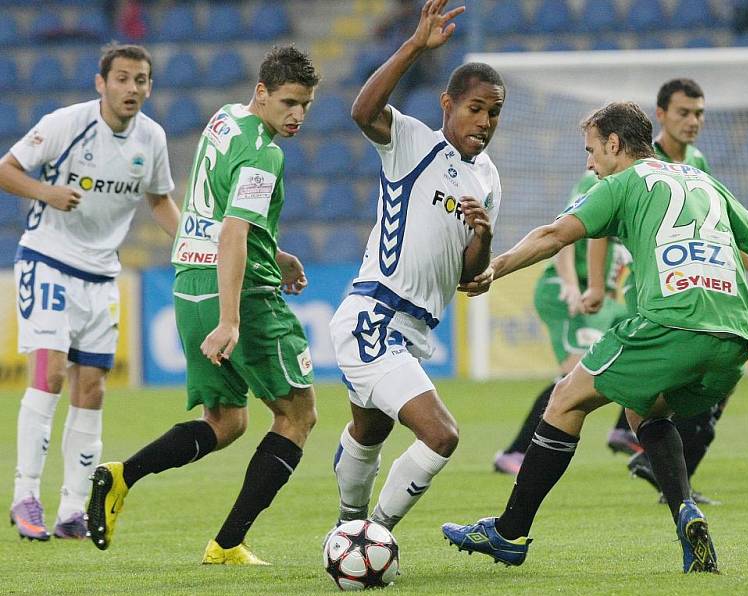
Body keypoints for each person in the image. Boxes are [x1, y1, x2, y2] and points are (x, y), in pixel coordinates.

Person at [443, 101, 748, 573]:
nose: (589, 163)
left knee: (565, 400)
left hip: (672, 322)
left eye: (591, 150)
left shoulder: (625, 182)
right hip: (733, 337)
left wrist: (492, 268)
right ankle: (686, 513)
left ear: (614, 144)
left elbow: (552, 235)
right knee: (644, 407)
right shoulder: (704, 180)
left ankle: (509, 532)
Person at [85, 46, 320, 565]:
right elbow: (235, 230)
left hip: (188, 279)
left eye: (305, 104)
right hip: (242, 295)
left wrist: (275, 252)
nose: (297, 115)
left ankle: (122, 474)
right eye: (288, 102)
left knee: (227, 420)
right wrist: (232, 319)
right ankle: (227, 543)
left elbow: (215, 207)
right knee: (297, 415)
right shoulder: (265, 154)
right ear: (262, 92)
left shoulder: (226, 119)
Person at [329, 0, 503, 532]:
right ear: (448, 103)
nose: (485, 121)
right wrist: (412, 45)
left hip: (413, 331)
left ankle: (347, 526)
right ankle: (373, 533)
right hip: (374, 318)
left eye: (494, 113)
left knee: (368, 433)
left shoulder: (488, 181)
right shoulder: (413, 142)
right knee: (442, 434)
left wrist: (485, 238)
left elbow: (468, 276)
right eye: (475, 108)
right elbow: (361, 112)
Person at [0, 43, 179, 541]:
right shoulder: (66, 123)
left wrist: (190, 245)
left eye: (141, 80)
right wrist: (47, 192)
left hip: (102, 276)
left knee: (93, 387)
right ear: (101, 83)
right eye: (122, 78)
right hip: (48, 260)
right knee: (51, 371)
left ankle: (72, 509)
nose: (132, 88)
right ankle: (25, 496)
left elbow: (159, 199)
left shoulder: (152, 137)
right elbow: (6, 170)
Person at [585, 79, 748, 504]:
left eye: (699, 113)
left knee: (712, 379)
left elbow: (715, 222)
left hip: (694, 284)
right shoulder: (634, 158)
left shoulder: (696, 162)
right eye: (684, 112)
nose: (693, 121)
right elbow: (596, 224)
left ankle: (664, 469)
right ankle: (647, 452)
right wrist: (595, 285)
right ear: (660, 115)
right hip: (655, 286)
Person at [492, 172, 632, 476]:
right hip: (569, 292)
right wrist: (570, 284)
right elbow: (564, 237)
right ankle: (516, 451)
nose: (591, 160)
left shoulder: (634, 186)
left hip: (603, 300)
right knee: (573, 374)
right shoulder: (594, 183)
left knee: (645, 342)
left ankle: (626, 430)